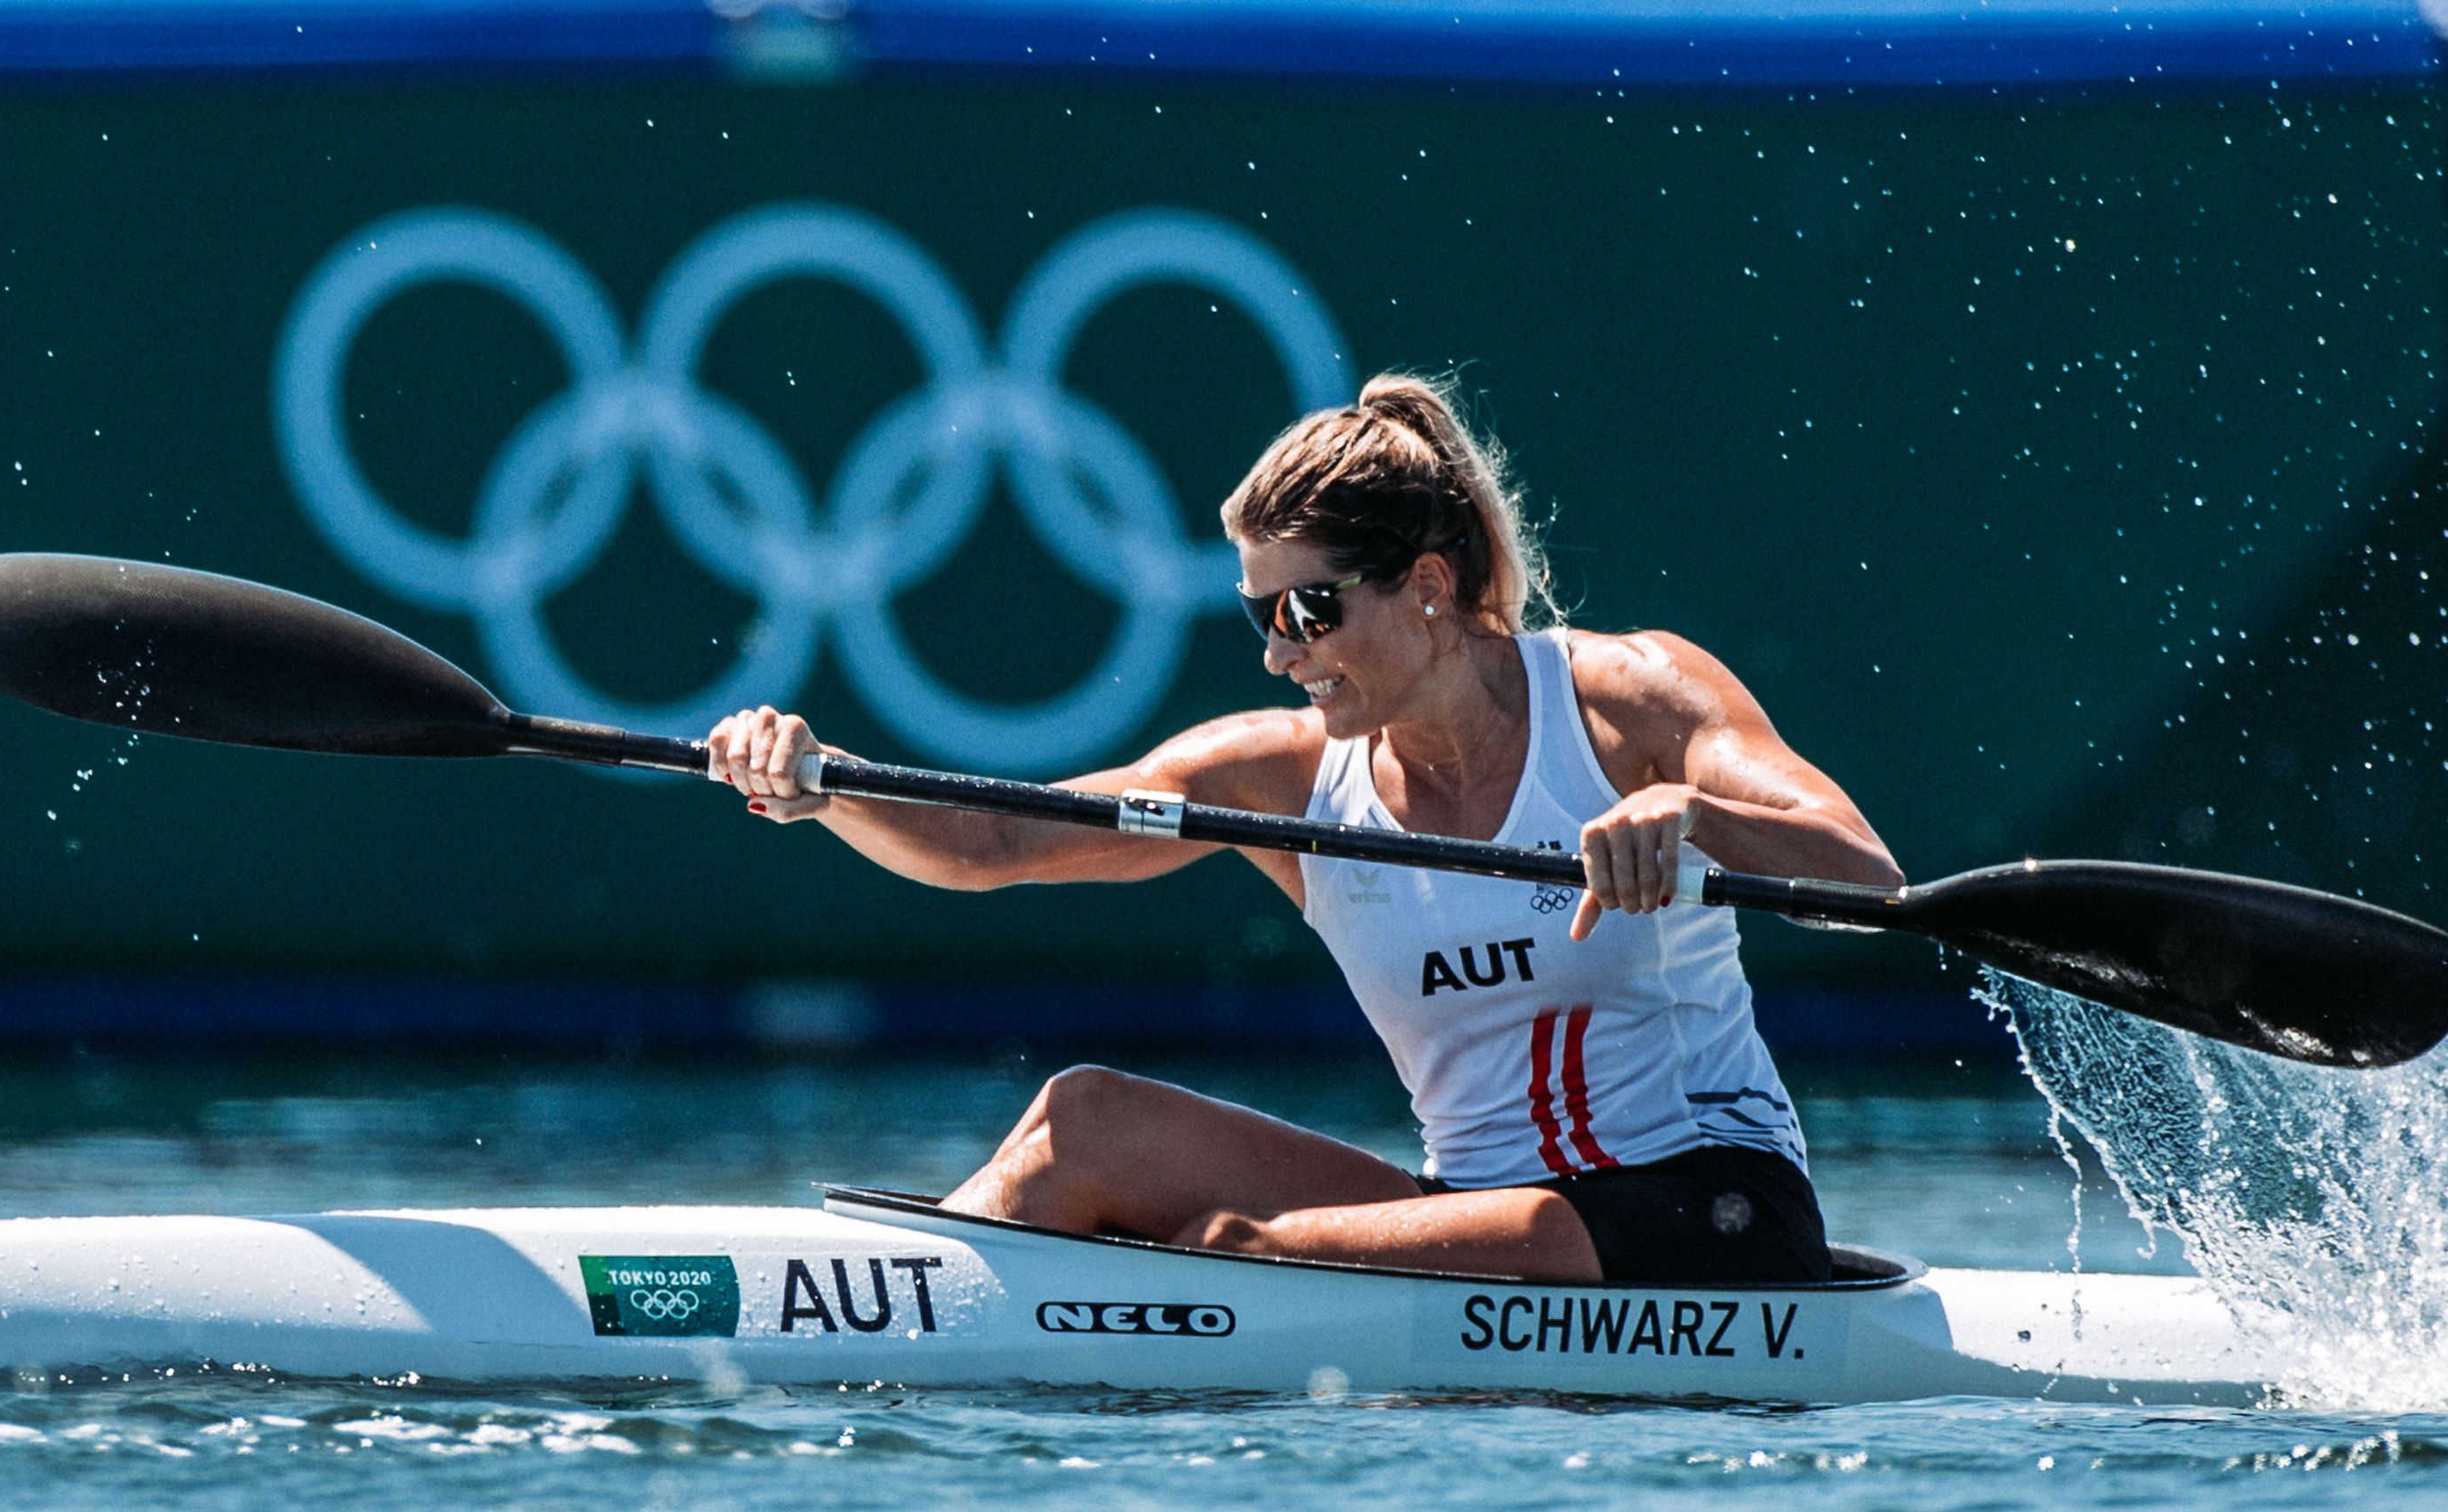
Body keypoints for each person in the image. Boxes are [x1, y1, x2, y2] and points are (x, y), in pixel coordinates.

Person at [705, 375, 1900, 1287]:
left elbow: (1866, 876)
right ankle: (890, 1342)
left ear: (1427, 587)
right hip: (1478, 1208)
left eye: (1307, 609)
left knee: (1242, 1248)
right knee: (1083, 1125)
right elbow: (994, 845)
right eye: (1259, 616)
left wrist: (1694, 821)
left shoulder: (1629, 702)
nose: (1281, 652)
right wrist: (823, 782)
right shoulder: (1285, 778)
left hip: (1713, 1215)